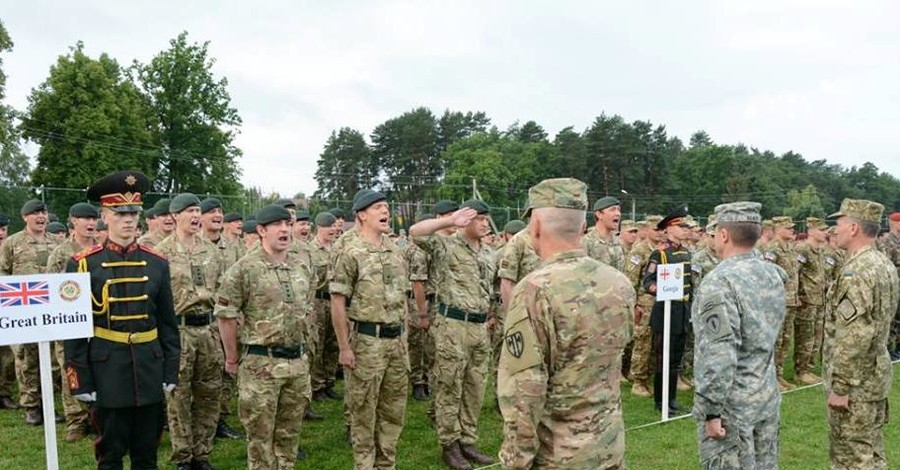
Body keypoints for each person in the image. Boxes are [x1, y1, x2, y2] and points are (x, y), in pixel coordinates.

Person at [498, 178, 634, 469]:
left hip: (559, 456)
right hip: (609, 447)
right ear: (583, 227)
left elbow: (523, 391)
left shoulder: (534, 290)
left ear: (534, 227)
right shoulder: (618, 283)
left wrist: (515, 461)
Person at [64, 170, 181, 470]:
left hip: (149, 366)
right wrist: (79, 380)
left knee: (147, 453)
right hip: (108, 369)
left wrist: (170, 371)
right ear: (105, 214)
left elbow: (168, 324)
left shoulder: (157, 263)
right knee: (110, 454)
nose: (128, 219)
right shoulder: (82, 264)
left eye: (133, 212)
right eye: (120, 212)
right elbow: (75, 331)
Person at [216, 204, 314, 470]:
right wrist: (232, 358)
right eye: (277, 225)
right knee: (260, 440)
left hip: (296, 364)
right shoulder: (244, 269)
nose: (285, 229)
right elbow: (226, 315)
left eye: (288, 224)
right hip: (261, 366)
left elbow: (307, 308)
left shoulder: (301, 267)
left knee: (289, 436)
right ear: (261, 230)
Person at [692, 201, 786, 469]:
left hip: (733, 405)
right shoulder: (772, 274)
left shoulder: (719, 282)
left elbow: (718, 353)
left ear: (723, 235)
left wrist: (711, 410)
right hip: (765, 392)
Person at [410, 199, 496, 470]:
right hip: (453, 326)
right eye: (479, 218)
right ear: (466, 219)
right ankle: (449, 444)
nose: (484, 223)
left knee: (475, 386)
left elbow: (488, 289)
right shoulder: (445, 244)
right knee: (449, 385)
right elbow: (416, 232)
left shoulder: (489, 252)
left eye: (486, 219)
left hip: (480, 327)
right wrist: (449, 221)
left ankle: (468, 440)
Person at [330, 189, 409, 470]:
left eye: (386, 206)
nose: (385, 211)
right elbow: (337, 303)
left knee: (393, 412)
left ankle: (386, 464)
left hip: (396, 344)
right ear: (361, 215)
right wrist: (344, 347)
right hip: (367, 342)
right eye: (378, 207)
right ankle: (363, 465)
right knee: (363, 411)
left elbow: (402, 299)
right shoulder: (349, 252)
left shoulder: (395, 250)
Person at [824, 198, 898, 470]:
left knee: (852, 458)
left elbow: (856, 333)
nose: (835, 230)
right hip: (875, 375)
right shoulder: (882, 262)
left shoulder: (857, 271)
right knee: (871, 452)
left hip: (856, 383)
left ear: (854, 228)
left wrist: (840, 386)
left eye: (839, 223)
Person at [156, 194, 226, 470]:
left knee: (209, 393)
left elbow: (222, 288)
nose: (196, 216)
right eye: (190, 211)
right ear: (175, 216)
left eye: (198, 210)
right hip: (178, 330)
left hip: (208, 329)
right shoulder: (161, 253)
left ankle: (203, 452)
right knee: (178, 396)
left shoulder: (211, 251)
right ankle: (183, 455)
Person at [0, 199, 57, 425]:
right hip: (23, 310)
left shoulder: (55, 242)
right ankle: (31, 407)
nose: (41, 216)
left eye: (43, 212)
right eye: (35, 213)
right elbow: (3, 273)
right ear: (25, 217)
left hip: (52, 311)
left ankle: (48, 405)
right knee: (26, 358)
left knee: (51, 359)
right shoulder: (12, 243)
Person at [46, 202, 100, 442]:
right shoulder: (61, 253)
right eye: (84, 219)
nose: (90, 223)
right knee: (71, 370)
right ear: (73, 222)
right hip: (70, 320)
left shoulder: (103, 249)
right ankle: (76, 420)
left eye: (93, 219)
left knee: (98, 368)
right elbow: (52, 287)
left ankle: (97, 418)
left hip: (98, 320)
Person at [642, 205, 693, 411]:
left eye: (685, 226)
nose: (685, 229)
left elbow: (691, 283)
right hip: (665, 311)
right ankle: (660, 401)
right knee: (663, 359)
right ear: (669, 229)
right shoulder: (660, 255)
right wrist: (662, 290)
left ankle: (671, 399)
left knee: (675, 360)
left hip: (682, 310)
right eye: (681, 226)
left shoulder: (687, 253)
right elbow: (648, 282)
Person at [761, 216, 801, 391]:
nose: (792, 230)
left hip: (791, 300)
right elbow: (767, 276)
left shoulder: (790, 248)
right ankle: (770, 378)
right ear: (778, 229)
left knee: (785, 341)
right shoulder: (772, 249)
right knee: (775, 341)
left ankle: (779, 374)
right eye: (788, 228)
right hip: (777, 301)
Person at [309, 212, 341, 402]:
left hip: (335, 301)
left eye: (334, 226)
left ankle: (329, 381)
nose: (333, 230)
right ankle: (317, 385)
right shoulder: (310, 250)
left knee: (333, 343)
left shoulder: (337, 249)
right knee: (318, 344)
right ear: (319, 227)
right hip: (318, 301)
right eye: (329, 226)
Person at [582, 196, 625, 270]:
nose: (618, 213)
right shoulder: (587, 242)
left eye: (619, 210)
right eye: (612, 210)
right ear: (599, 214)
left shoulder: (618, 242)